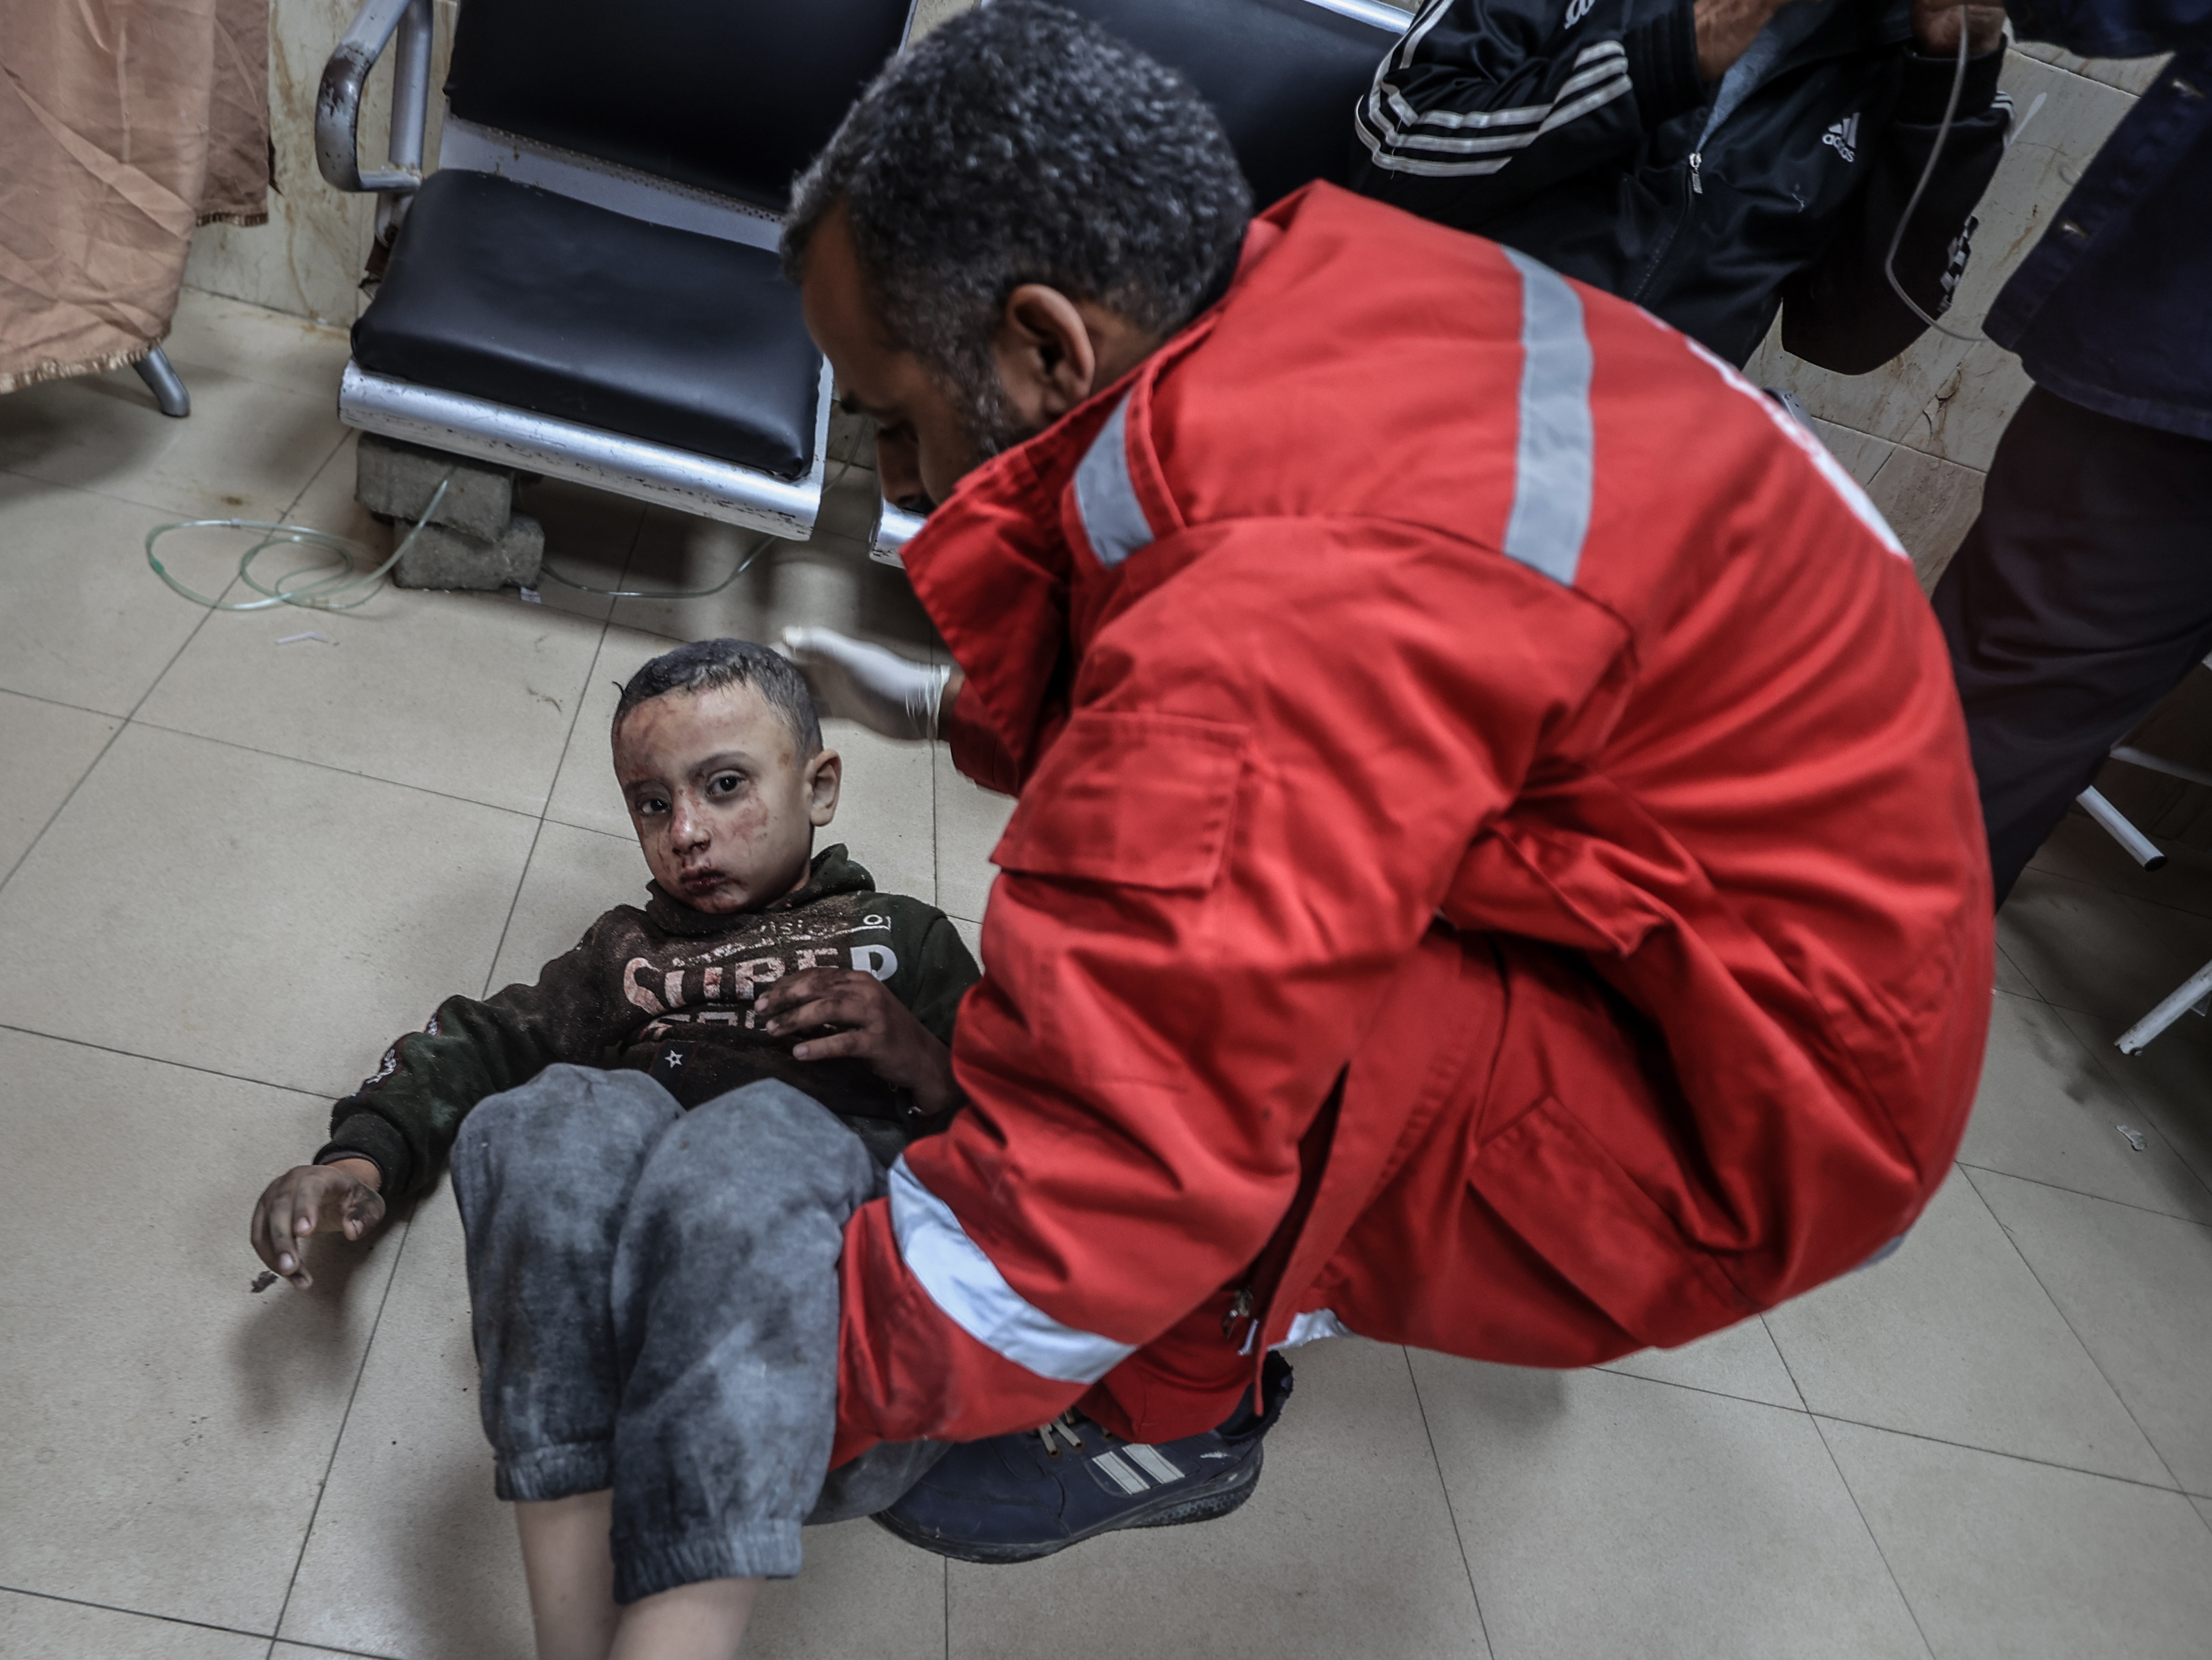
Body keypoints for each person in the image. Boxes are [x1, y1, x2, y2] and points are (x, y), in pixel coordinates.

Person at [775, 0, 1987, 1581]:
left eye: (895, 422)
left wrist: (781, 1378)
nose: (905, 488)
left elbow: (1117, 1142)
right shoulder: (1309, 290)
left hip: (1775, 1106)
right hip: (1773, 935)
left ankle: (1180, 1415)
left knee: (1250, 1026)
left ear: (1044, 345)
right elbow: (1171, 683)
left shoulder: (1284, 587)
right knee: (1175, 905)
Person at [247, 637, 979, 1658]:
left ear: (818, 787)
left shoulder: (899, 936)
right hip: (619, 1370)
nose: (686, 832)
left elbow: (1025, 1136)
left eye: (725, 786)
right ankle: (577, 1638)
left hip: (818, 1362)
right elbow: (480, 1043)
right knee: (534, 1116)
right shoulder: (625, 956)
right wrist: (357, 1160)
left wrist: (917, 1059)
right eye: (650, 803)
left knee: (750, 1132)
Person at [1930, 0, 2212, 904]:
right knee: (2039, 712)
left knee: (2000, 705)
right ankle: (1862, 1007)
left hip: (2177, 394)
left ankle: (1795, 993)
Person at [1346, 0, 2012, 370]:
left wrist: (1954, 78)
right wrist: (1669, 58)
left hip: (1623, 463)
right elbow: (1397, 154)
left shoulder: (1927, 77)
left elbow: (1845, 339)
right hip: (1415, 366)